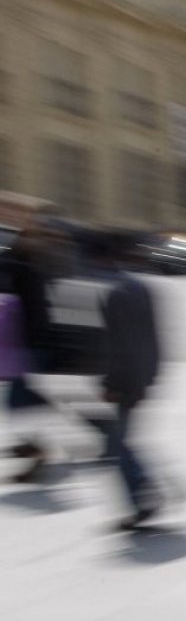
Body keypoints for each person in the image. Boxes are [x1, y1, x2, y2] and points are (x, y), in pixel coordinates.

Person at [94, 232, 164, 530]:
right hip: (142, 374)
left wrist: (111, 383)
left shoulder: (115, 293)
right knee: (120, 441)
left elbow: (116, 344)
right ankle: (147, 491)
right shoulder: (141, 288)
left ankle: (144, 496)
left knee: (118, 444)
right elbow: (152, 335)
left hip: (125, 379)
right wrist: (151, 373)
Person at [0, 193, 61, 483]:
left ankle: (38, 454)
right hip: (24, 338)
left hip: (28, 339)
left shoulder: (26, 250)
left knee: (19, 401)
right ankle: (36, 450)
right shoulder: (22, 249)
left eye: (12, 212)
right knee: (23, 400)